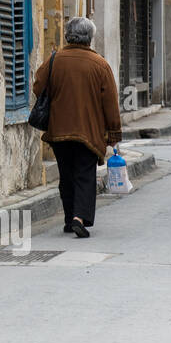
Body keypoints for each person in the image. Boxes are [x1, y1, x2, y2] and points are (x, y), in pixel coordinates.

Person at [32, 16, 122, 238]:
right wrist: (113, 133)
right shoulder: (100, 65)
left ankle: (68, 217)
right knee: (84, 174)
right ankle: (78, 218)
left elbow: (37, 87)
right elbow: (110, 102)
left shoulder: (54, 61)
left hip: (59, 130)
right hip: (88, 132)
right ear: (90, 38)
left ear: (67, 36)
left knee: (67, 175)